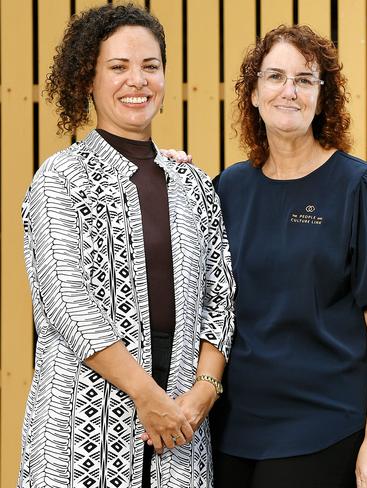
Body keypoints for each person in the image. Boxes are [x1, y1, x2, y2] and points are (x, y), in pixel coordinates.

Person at [17, 4, 235, 487]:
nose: (136, 80)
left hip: (181, 428)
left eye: (149, 67)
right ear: (87, 81)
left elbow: (219, 300)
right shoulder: (60, 178)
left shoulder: (192, 184)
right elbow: (67, 304)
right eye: (118, 67)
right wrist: (147, 397)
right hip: (80, 425)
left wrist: (203, 391)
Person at [210, 24, 367, 488]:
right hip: (230, 429)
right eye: (275, 77)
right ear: (255, 93)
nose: (289, 91)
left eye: (305, 80)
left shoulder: (359, 187)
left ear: (323, 97)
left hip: (324, 426)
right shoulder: (227, 188)